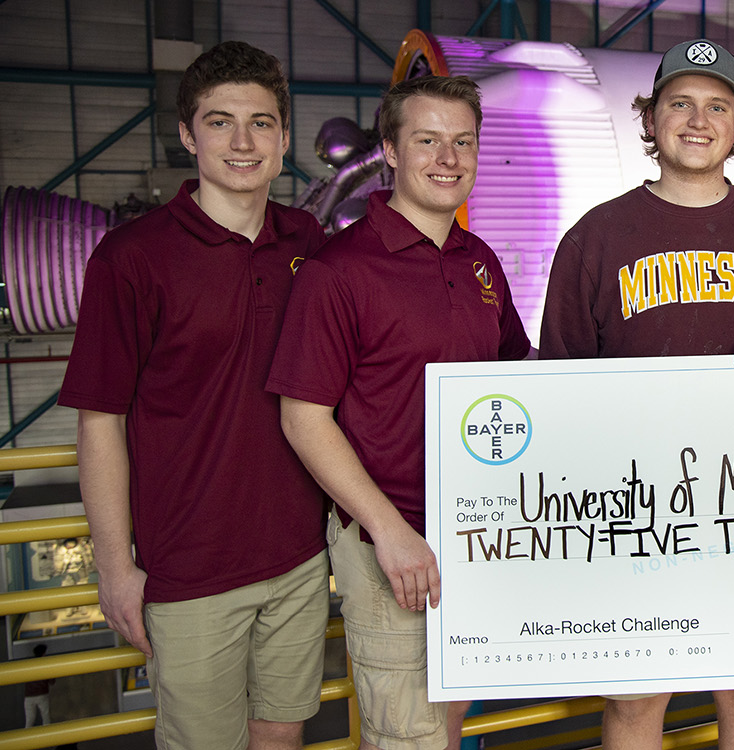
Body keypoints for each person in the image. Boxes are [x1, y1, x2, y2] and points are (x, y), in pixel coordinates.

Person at [538, 38, 734, 750]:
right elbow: (559, 384)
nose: (698, 119)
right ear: (649, 120)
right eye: (679, 103)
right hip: (635, 507)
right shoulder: (594, 238)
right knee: (637, 698)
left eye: (717, 105)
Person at [60, 40, 330, 750]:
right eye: (219, 122)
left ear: (283, 135)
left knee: (282, 734)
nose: (243, 142)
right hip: (190, 572)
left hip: (301, 557)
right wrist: (115, 568)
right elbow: (100, 423)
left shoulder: (308, 240)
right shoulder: (131, 259)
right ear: (187, 134)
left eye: (262, 122)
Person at [269, 74, 530, 750]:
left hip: (477, 535)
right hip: (392, 543)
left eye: (463, 142)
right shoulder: (340, 271)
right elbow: (304, 418)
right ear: (389, 149)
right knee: (404, 735)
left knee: (442, 723)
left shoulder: (479, 262)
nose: (448, 158)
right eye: (428, 141)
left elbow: (515, 377)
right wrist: (389, 531)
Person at [24, 644, 56, 727]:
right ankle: (47, 737)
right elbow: (52, 681)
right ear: (44, 653)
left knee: (29, 720)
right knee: (46, 718)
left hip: (29, 695)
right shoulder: (45, 665)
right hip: (42, 694)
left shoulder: (28, 664)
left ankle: (27, 738)